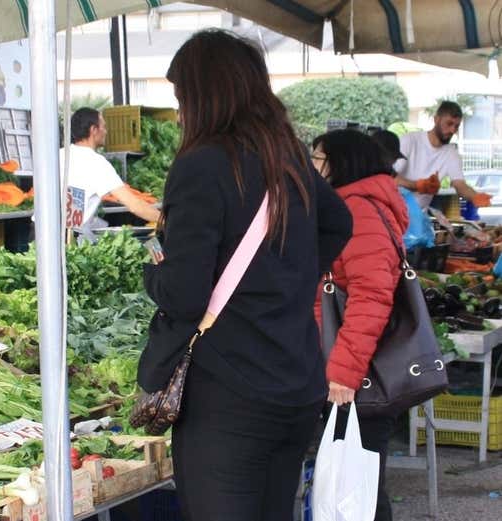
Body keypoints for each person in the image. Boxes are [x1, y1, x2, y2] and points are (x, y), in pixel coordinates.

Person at [136, 29, 352, 521]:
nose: (180, 114)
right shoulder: (287, 156)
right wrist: (287, 282)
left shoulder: (202, 164)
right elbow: (339, 222)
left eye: (181, 98)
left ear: (204, 96)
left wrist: (153, 276)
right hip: (296, 385)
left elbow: (185, 295)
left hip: (229, 397)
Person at [312, 129, 410, 521]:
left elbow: (372, 295)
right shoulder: (351, 206)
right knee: (354, 482)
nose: (312, 166)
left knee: (358, 487)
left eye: (318, 158)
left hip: (359, 372)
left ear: (341, 163)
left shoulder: (358, 211)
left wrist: (344, 372)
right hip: (353, 363)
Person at [61, 108, 160, 226]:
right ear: (93, 130)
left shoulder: (59, 155)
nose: (106, 132)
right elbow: (134, 206)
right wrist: (166, 221)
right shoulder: (97, 163)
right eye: (104, 127)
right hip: (72, 233)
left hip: (48, 231)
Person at [395, 101, 491, 209]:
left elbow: (460, 185)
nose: (453, 130)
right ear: (436, 120)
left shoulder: (451, 153)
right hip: (393, 211)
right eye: (449, 124)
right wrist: (417, 185)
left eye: (456, 126)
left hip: (418, 213)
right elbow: (389, 177)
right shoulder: (409, 140)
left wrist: (476, 197)